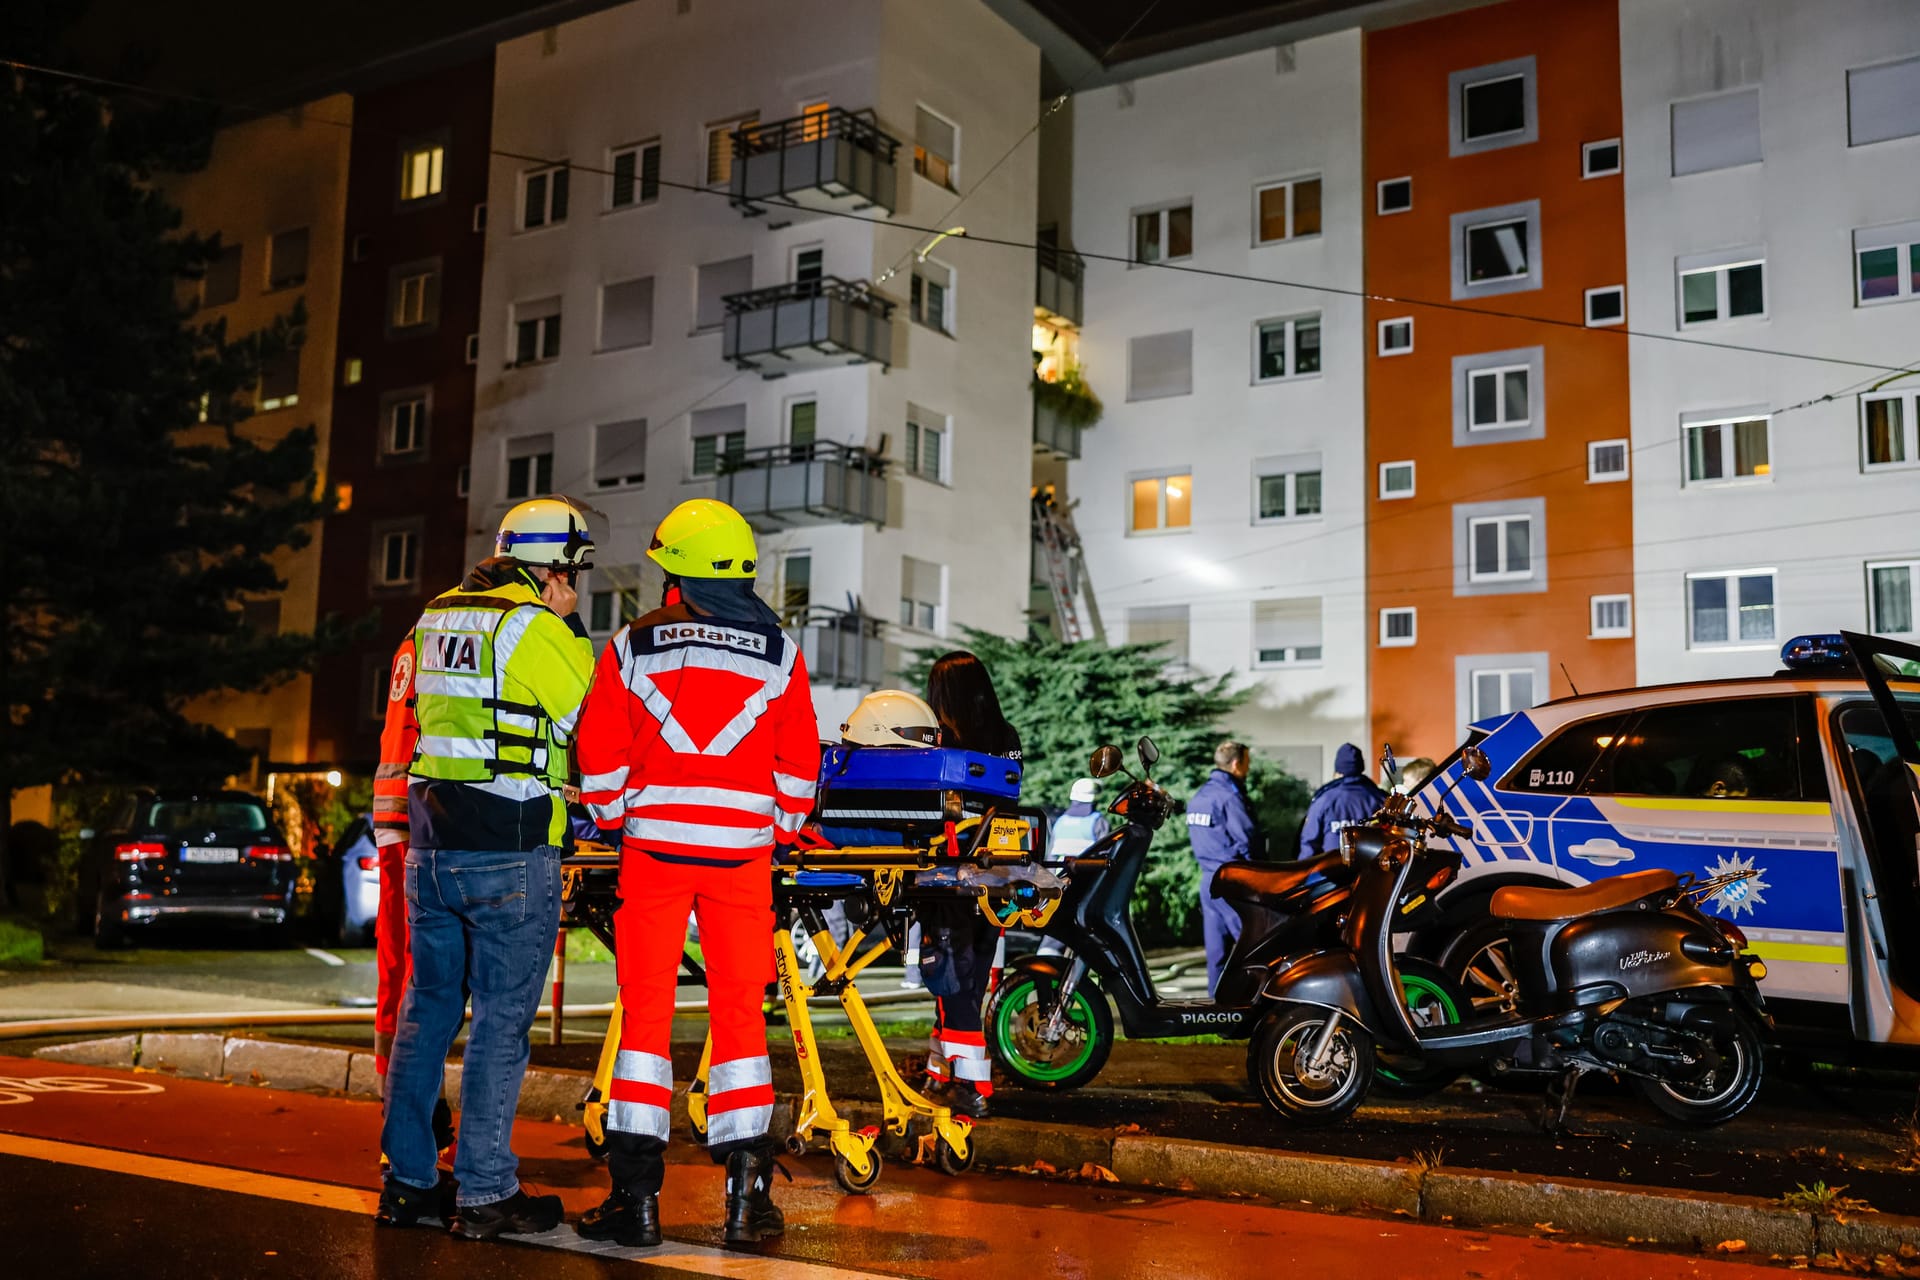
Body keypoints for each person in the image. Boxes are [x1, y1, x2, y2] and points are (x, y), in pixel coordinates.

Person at [574, 499, 819, 1249]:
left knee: (644, 1018)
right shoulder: (779, 650)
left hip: (653, 855)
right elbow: (800, 763)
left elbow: (601, 754)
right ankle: (747, 1202)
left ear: (676, 573)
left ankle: (635, 1201)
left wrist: (621, 818)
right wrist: (772, 828)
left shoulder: (633, 645)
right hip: (742, 858)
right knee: (740, 1017)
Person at [377, 497, 597, 1239]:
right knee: (502, 1025)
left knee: (425, 1012)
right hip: (510, 842)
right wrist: (565, 626)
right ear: (552, 569)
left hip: (432, 843)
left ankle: (408, 1184)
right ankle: (484, 1192)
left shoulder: (436, 615)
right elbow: (591, 719)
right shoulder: (533, 626)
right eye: (572, 573)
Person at [919, 650, 1021, 1119]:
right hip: (998, 869)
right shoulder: (1007, 737)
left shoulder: (938, 740)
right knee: (972, 973)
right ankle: (942, 1070)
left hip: (948, 872)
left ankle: (971, 1083)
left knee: (951, 973)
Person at [369, 634, 452, 1158]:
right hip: (429, 812)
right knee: (425, 971)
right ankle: (413, 1116)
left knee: (398, 965)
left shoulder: (416, 636)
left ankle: (400, 1107)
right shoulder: (467, 631)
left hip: (399, 812)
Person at [1187, 741, 1260, 996]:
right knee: (1252, 945)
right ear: (1236, 764)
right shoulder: (1229, 797)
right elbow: (1247, 839)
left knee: (1216, 952)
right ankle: (1256, 1003)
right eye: (1247, 764)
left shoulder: (1200, 796)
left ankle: (1215, 1006)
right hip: (1231, 882)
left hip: (1208, 882)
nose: (1248, 770)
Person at [1038, 779, 1108, 958]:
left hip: (1058, 886)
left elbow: (1050, 858)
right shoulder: (1097, 821)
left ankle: (1045, 963)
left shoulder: (1061, 822)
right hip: (1085, 887)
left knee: (1056, 929)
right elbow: (1106, 858)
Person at [1298, 743, 1389, 857]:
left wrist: (1305, 872)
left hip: (1331, 871)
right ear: (1361, 767)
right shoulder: (1380, 798)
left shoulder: (1323, 800)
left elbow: (1309, 843)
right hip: (1370, 871)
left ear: (1338, 770)